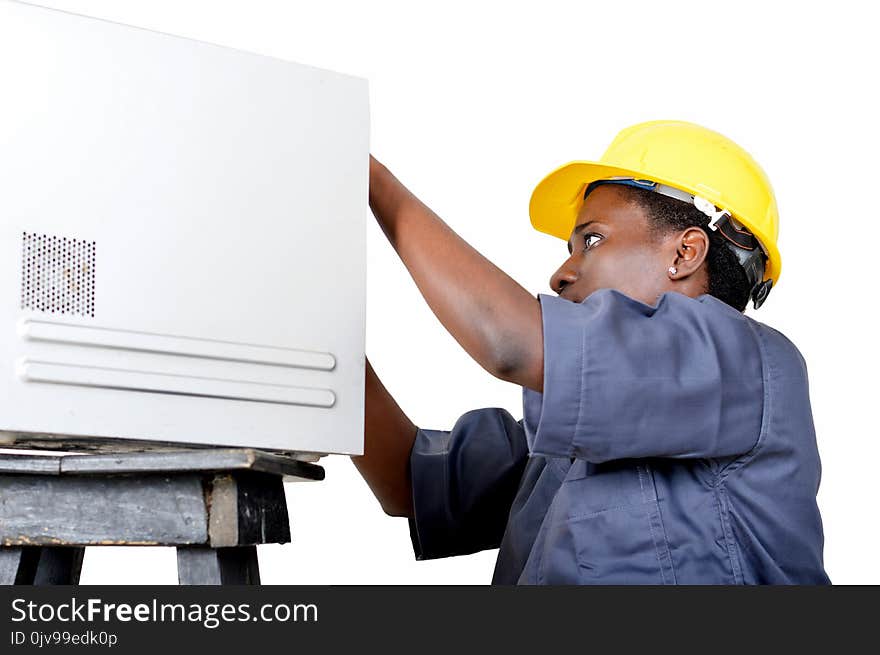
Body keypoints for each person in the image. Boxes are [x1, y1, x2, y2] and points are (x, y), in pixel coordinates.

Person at [352, 120, 830, 584]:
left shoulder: (748, 363)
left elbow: (508, 341)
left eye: (592, 240)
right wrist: (318, 331)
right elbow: (408, 482)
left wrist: (367, 177)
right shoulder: (569, 439)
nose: (560, 274)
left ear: (685, 253)